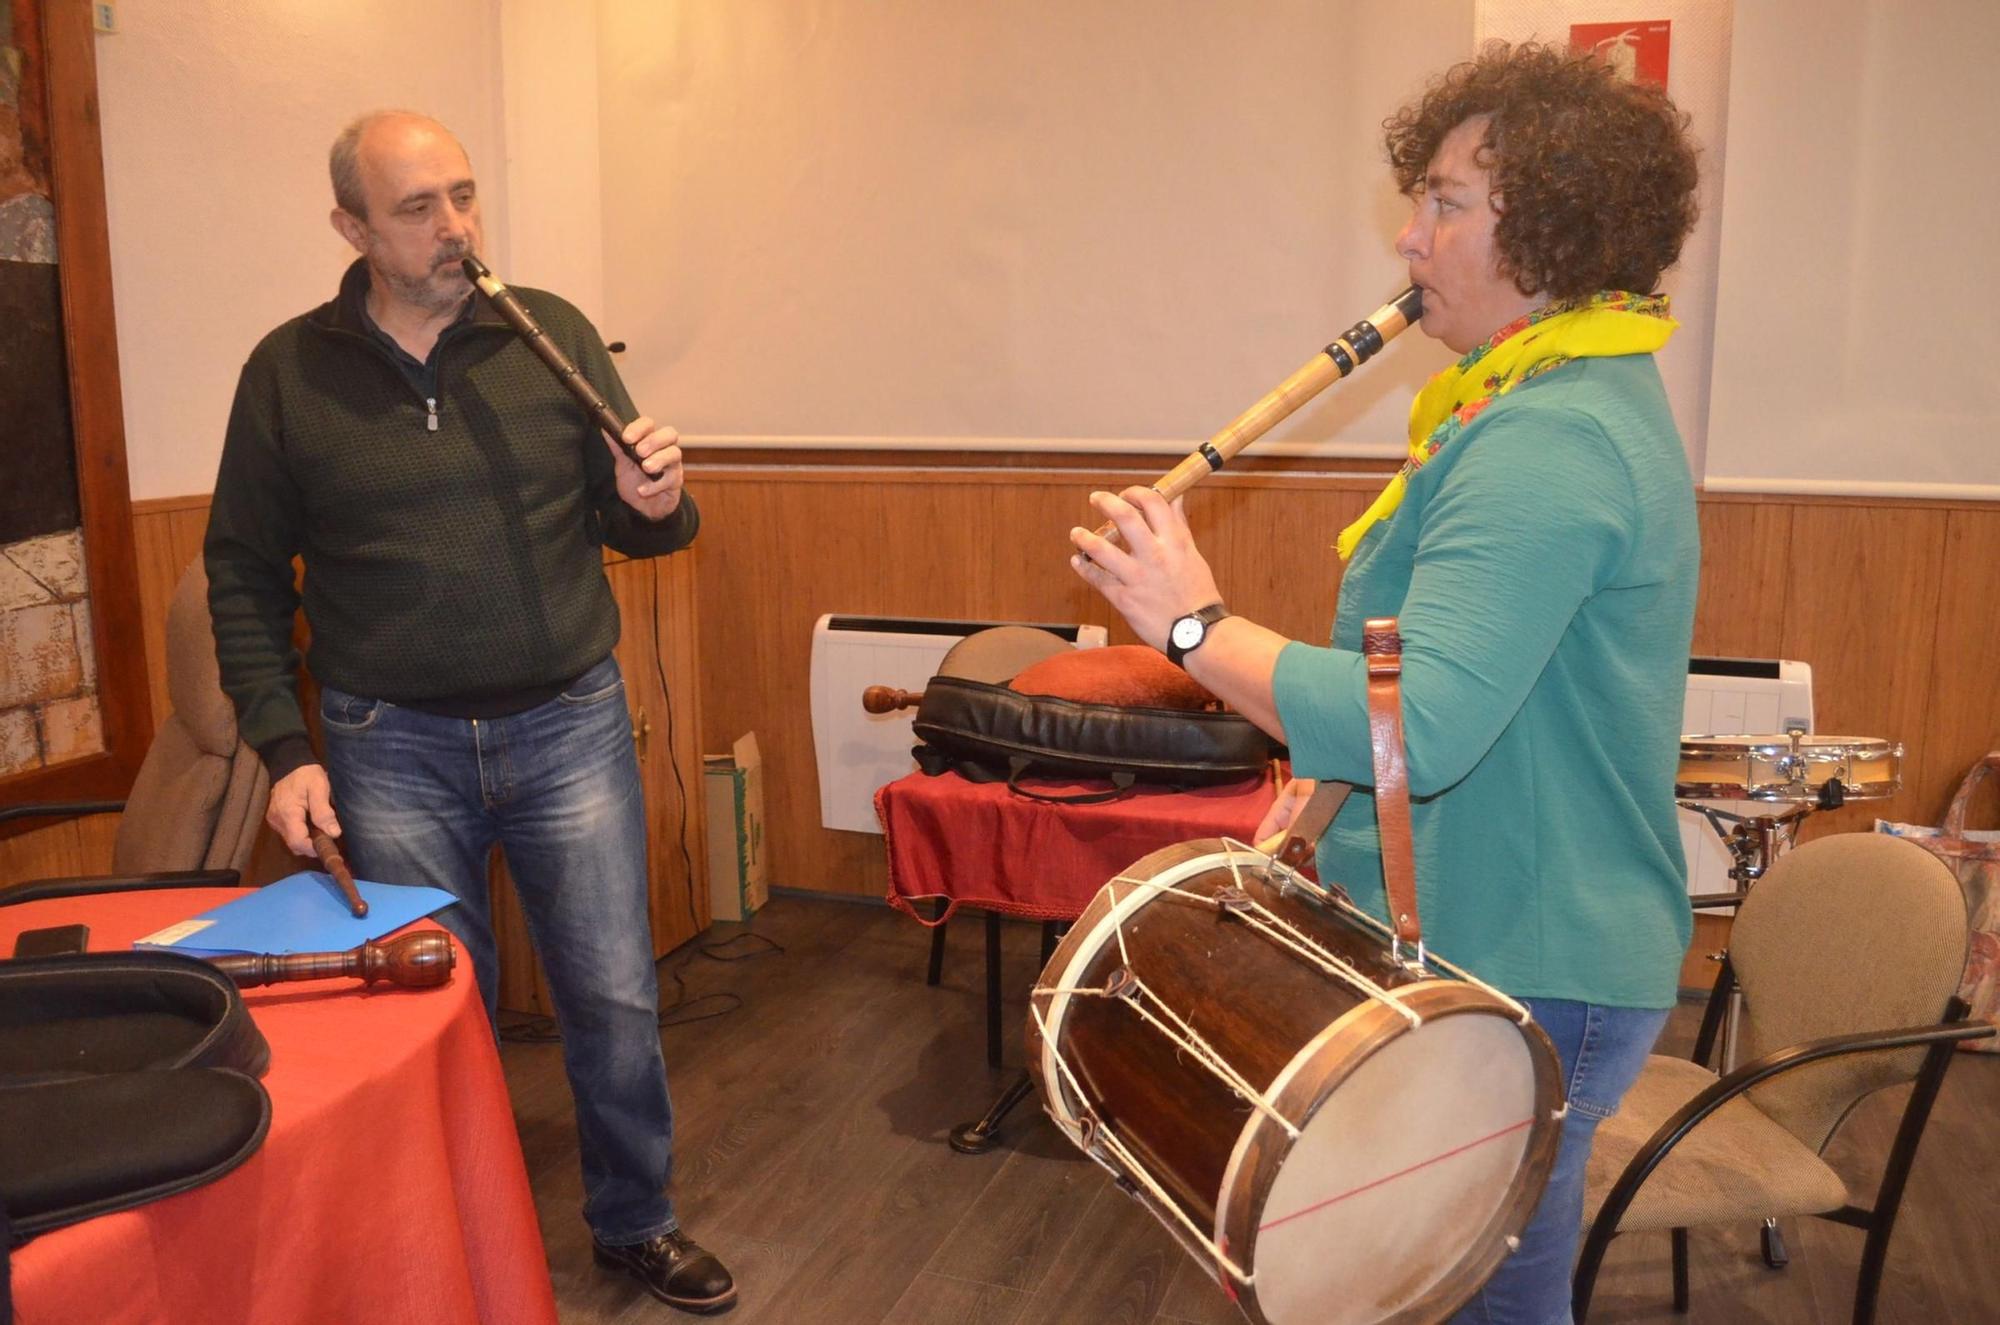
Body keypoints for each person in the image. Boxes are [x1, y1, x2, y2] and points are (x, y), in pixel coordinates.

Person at [1068, 43, 1701, 1324]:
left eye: (1445, 206)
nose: (1409, 243)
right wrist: (1309, 792)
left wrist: (1191, 627)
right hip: (1499, 936)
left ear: (1553, 235)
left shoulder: (1553, 437)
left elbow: (1419, 723)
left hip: (1534, 954)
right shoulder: (1519, 403)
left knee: (1483, 1302)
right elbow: (1427, 677)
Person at [203, 110, 735, 1315]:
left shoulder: (543, 332)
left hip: (568, 723)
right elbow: (240, 571)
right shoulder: (288, 370)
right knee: (437, 1005)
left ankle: (635, 1219)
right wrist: (285, 749)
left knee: (609, 991)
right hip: (389, 739)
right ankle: (456, 1231)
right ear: (349, 227)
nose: (454, 228)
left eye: (464, 196)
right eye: (416, 207)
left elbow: (644, 525)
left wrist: (658, 499)